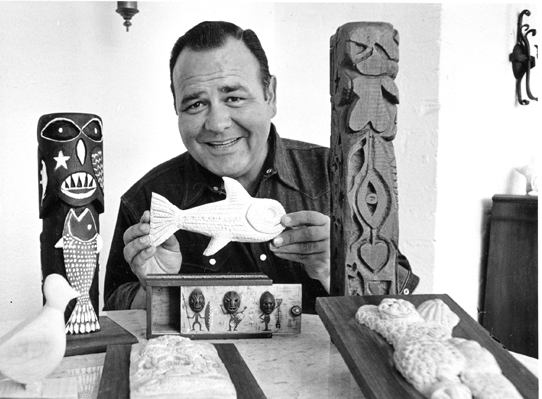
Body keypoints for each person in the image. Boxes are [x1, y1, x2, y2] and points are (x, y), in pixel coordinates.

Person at [104, 21, 418, 313]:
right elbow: (111, 316)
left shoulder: (341, 175)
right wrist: (155, 289)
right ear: (177, 111)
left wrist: (338, 269)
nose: (217, 123)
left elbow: (401, 306)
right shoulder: (147, 199)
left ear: (270, 95)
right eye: (195, 104)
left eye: (234, 97)